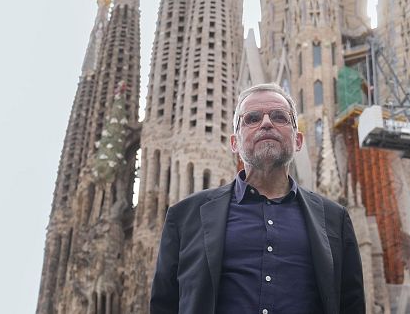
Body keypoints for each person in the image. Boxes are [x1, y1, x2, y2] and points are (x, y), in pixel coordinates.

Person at [150, 83, 365, 314]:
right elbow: (164, 305)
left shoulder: (334, 219)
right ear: (234, 143)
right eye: (252, 118)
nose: (266, 123)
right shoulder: (185, 217)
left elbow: (350, 305)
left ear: (298, 141)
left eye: (279, 117)